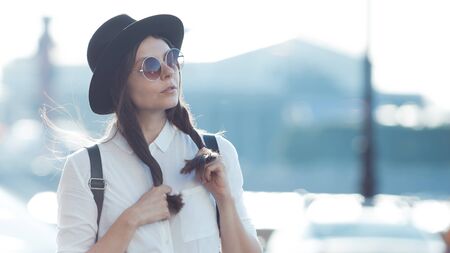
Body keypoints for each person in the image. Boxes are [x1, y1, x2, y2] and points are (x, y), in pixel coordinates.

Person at [56, 14, 262, 253]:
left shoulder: (217, 152)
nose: (168, 72)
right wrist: (131, 219)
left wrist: (225, 200)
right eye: (151, 66)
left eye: (171, 59)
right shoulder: (85, 169)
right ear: (121, 84)